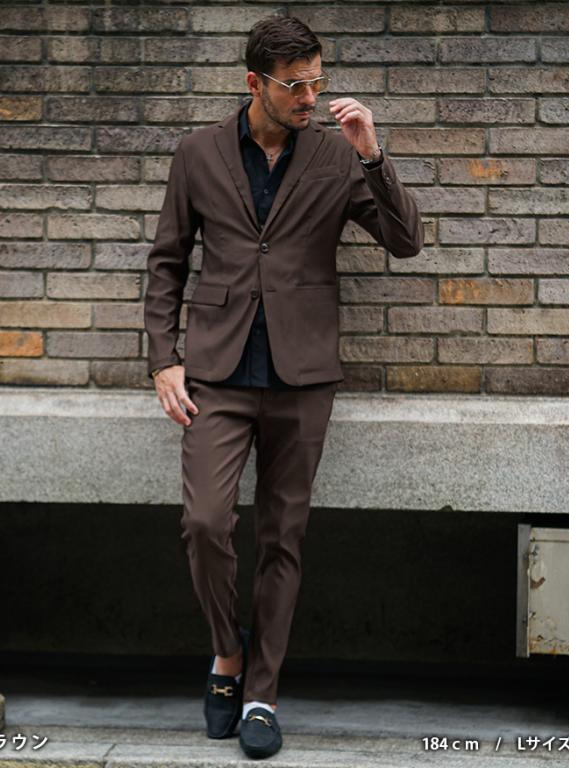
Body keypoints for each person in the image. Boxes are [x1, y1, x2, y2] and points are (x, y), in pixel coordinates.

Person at [144, 15, 424, 760]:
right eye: (295, 85)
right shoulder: (199, 152)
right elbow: (167, 261)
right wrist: (163, 358)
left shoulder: (336, 154)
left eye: (317, 82)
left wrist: (372, 156)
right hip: (218, 373)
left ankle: (261, 694)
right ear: (255, 83)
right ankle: (226, 653)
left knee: (282, 537)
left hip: (303, 377)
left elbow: (405, 241)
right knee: (205, 523)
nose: (310, 97)